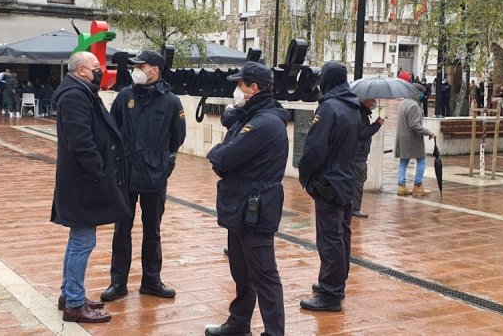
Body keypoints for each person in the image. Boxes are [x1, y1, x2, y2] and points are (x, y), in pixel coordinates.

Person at [205, 61, 289, 336]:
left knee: (264, 275)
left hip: (255, 207)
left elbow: (226, 157)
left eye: (240, 84)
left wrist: (218, 152)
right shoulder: (250, 115)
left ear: (253, 87)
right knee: (242, 271)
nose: (236, 89)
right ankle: (239, 323)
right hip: (240, 204)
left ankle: (274, 332)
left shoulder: (264, 123)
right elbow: (228, 155)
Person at [51, 51, 132, 323]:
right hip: (84, 182)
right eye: (97, 67)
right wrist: (98, 168)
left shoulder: (81, 91)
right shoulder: (75, 96)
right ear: (82, 70)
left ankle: (69, 294)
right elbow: (81, 141)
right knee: (83, 242)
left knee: (79, 240)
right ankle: (74, 303)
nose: (101, 70)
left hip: (82, 181)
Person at [101, 50, 186, 302]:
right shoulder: (125, 96)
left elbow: (177, 138)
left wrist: (162, 162)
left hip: (153, 176)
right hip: (125, 174)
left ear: (155, 70)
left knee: (153, 231)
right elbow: (111, 130)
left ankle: (151, 280)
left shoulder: (171, 101)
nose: (137, 69)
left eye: (142, 65)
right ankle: (118, 282)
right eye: (136, 65)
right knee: (121, 230)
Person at [298, 61, 360, 313]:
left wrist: (306, 179)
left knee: (330, 239)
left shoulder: (329, 108)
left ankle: (330, 293)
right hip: (346, 179)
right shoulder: (352, 107)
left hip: (329, 182)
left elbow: (314, 150)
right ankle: (335, 284)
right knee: (341, 236)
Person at [395, 83, 436, 196]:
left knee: (403, 161)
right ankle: (418, 185)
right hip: (412, 139)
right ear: (417, 93)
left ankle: (401, 186)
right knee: (422, 160)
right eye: (421, 92)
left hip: (402, 137)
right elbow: (415, 125)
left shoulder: (402, 103)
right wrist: (429, 133)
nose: (423, 95)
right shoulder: (414, 106)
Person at [351, 98, 384, 218]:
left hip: (356, 153)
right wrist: (377, 124)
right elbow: (363, 132)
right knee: (359, 181)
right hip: (358, 154)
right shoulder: (361, 113)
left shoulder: (361, 111)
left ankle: (351, 206)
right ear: (365, 100)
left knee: (356, 180)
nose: (374, 102)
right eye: (371, 100)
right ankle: (355, 209)